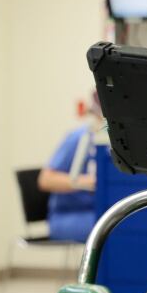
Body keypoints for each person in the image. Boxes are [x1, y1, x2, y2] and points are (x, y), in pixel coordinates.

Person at [37, 96, 102, 242]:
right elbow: (45, 180)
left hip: (99, 212)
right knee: (112, 228)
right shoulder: (79, 138)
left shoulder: (117, 143)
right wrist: (88, 182)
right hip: (69, 216)